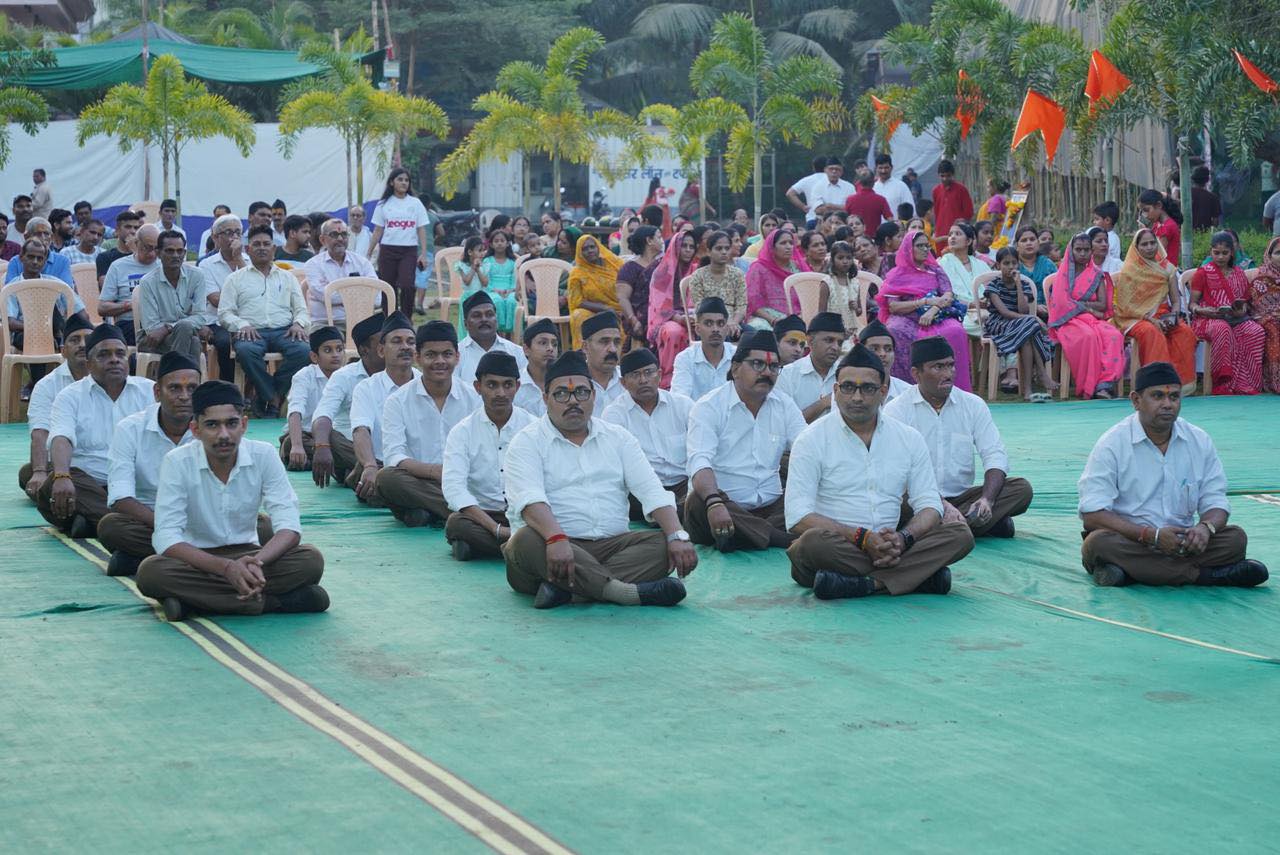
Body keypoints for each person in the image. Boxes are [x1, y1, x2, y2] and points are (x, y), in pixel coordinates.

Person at [501, 350, 695, 608]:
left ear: (593, 396)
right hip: (551, 544)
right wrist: (556, 539)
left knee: (662, 544)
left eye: (581, 392)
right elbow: (530, 500)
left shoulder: (618, 438)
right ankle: (624, 592)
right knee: (524, 540)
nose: (573, 401)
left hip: (612, 545)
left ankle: (567, 590)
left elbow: (652, 490)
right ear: (545, 398)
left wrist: (676, 536)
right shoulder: (526, 442)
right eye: (561, 394)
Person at [786, 344, 972, 599]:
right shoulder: (811, 439)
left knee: (959, 534)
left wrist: (904, 538)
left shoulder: (908, 438)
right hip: (840, 546)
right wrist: (863, 539)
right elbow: (798, 516)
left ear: (883, 392)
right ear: (835, 391)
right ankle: (915, 577)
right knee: (811, 544)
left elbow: (929, 505)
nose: (857, 397)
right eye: (848, 387)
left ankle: (867, 585)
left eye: (868, 388)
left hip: (894, 545)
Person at [136, 381, 328, 621]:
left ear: (244, 425)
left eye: (231, 423)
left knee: (310, 560)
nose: (224, 435)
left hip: (251, 556)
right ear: (195, 430)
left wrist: (256, 562)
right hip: (198, 561)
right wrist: (226, 569)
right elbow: (166, 537)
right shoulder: (177, 462)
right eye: (212, 425)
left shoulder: (263, 455)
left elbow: (289, 526)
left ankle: (195, 604)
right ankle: (271, 603)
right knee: (151, 572)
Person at [1077, 362, 1267, 588]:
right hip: (1132, 540)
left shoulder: (1198, 440)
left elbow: (1215, 500)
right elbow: (1093, 514)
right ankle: (1207, 577)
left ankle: (1131, 573)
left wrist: (1205, 528)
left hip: (1182, 544)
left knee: (1235, 539)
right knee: (1098, 544)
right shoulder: (1112, 444)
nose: (1167, 404)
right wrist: (1151, 536)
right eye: (1157, 396)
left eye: (1174, 397)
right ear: (1136, 400)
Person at [884, 337, 1033, 537]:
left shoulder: (973, 404)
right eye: (938, 367)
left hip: (963, 498)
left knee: (1021, 489)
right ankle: (975, 526)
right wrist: (941, 506)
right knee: (894, 501)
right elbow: (895, 471)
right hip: (917, 499)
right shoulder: (897, 410)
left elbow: (994, 454)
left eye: (951, 366)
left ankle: (946, 528)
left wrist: (987, 500)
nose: (948, 374)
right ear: (916, 374)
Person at [685, 329, 806, 552]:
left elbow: (807, 450)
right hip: (725, 507)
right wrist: (714, 502)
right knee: (697, 502)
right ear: (735, 368)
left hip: (772, 508)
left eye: (773, 367)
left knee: (810, 501)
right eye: (758, 364)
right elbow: (699, 461)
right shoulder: (708, 406)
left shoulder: (785, 405)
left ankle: (746, 536)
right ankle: (778, 538)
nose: (767, 373)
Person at [39, 324, 154, 538]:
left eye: (120, 354)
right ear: (89, 363)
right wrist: (62, 475)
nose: (114, 359)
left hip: (135, 487)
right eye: (104, 354)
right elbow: (60, 437)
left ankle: (96, 522)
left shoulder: (149, 391)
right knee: (52, 486)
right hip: (88, 486)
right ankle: (130, 524)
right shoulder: (70, 396)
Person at [96, 353, 201, 576]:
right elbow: (121, 498)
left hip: (203, 521)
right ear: (156, 393)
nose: (184, 396)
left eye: (192, 389)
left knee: (262, 528)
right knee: (112, 527)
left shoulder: (211, 427)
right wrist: (168, 526)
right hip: (151, 520)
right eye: (174, 389)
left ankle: (142, 559)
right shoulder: (130, 429)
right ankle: (202, 557)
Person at [374, 320, 480, 526]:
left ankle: (432, 512)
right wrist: (434, 471)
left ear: (457, 357)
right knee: (387, 479)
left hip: (463, 481)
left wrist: (454, 475)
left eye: (447, 354)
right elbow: (394, 456)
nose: (440, 361)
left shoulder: (473, 398)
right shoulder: (398, 400)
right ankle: (468, 516)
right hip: (418, 481)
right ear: (418, 358)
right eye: (431, 355)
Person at [440, 351, 536, 561]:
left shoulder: (534, 427)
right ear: (478, 387)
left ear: (517, 387)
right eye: (492, 385)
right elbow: (453, 488)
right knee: (457, 522)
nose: (500, 393)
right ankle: (520, 549)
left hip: (528, 515)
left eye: (507, 385)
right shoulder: (462, 432)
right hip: (484, 516)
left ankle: (486, 548)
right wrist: (496, 529)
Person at [218, 224, 311, 416]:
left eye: (266, 244)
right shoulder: (235, 279)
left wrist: (298, 323)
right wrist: (242, 324)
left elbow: (301, 310)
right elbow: (224, 313)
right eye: (256, 244)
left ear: (273, 249)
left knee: (304, 351)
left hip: (284, 330)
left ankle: (267, 395)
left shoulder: (288, 278)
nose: (262, 248)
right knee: (245, 351)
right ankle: (274, 397)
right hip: (251, 331)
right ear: (247, 249)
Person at [875, 229, 972, 390]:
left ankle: (954, 389)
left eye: (927, 246)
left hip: (937, 315)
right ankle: (904, 389)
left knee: (956, 331)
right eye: (920, 246)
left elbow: (948, 295)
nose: (925, 249)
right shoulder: (896, 274)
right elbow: (894, 307)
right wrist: (923, 302)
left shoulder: (935, 270)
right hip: (906, 317)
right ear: (908, 248)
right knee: (894, 330)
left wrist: (932, 309)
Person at [603, 348, 693, 515]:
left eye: (648, 373)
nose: (643, 380)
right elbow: (617, 468)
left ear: (659, 374)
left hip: (684, 486)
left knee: (709, 498)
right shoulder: (615, 414)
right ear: (623, 383)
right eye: (635, 375)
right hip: (642, 491)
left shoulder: (683, 406)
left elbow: (698, 452)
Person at [1111, 228, 1197, 389]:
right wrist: (1151, 319)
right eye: (1144, 244)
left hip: (1163, 315)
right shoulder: (1129, 271)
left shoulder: (1167, 268)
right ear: (1137, 248)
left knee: (1185, 332)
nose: (1150, 247)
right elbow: (1125, 306)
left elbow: (1175, 300)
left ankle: (1179, 384)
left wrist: (1173, 316)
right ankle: (1156, 384)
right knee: (1152, 333)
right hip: (1135, 318)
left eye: (1153, 243)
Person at [348, 313, 420, 503]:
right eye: (397, 341)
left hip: (421, 469)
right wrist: (370, 465)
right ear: (381, 350)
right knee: (384, 479)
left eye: (411, 342)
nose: (405, 347)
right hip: (381, 466)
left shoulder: (426, 383)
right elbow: (360, 430)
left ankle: (412, 505)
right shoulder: (366, 387)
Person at [19, 315, 92, 501]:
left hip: (103, 460)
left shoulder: (110, 380)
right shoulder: (47, 385)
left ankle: (80, 512)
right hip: (64, 464)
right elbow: (40, 431)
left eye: (89, 340)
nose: (83, 345)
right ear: (63, 351)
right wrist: (39, 471)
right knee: (29, 474)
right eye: (75, 340)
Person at [310, 313, 385, 489]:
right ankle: (374, 473)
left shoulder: (410, 375)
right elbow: (323, 415)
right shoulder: (344, 376)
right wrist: (321, 446)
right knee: (328, 435)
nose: (389, 347)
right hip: (351, 449)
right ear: (364, 349)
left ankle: (359, 476)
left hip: (392, 449)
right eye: (382, 342)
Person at [1048, 233, 1124, 399]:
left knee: (1114, 335)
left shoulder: (1097, 274)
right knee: (1088, 337)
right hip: (1068, 322)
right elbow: (1061, 305)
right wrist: (1089, 308)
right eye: (1078, 250)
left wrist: (1080, 306)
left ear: (1092, 251)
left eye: (1086, 250)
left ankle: (1103, 386)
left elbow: (1102, 305)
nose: (1082, 254)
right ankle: (1088, 385)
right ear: (1071, 250)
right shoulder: (1063, 274)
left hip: (1092, 320)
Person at [1190, 230, 1265, 395]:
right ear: (1211, 251)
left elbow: (1245, 302)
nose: (1220, 257)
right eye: (1216, 253)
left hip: (1235, 319)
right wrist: (1201, 309)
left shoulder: (1239, 273)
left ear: (1232, 253)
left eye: (1225, 253)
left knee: (1255, 331)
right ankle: (1222, 383)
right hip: (1208, 319)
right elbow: (1192, 304)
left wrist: (1241, 310)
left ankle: (1246, 384)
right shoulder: (1203, 273)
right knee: (1222, 329)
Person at [983, 248, 1056, 400]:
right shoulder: (993, 286)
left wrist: (1018, 285)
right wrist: (1034, 319)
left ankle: (1028, 389)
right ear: (998, 266)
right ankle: (1041, 374)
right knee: (1031, 325)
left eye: (1014, 263)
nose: (1011, 267)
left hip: (1021, 325)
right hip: (999, 324)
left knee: (1027, 337)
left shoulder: (1024, 285)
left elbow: (1023, 309)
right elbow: (1004, 313)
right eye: (1006, 263)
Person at [136, 229, 215, 368]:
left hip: (182, 333)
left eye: (180, 251)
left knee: (187, 331)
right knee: (194, 342)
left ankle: (174, 377)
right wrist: (183, 326)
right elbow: (152, 328)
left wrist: (169, 327)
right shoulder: (147, 282)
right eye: (170, 251)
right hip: (152, 340)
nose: (176, 255)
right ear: (159, 253)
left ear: (185, 253)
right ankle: (189, 384)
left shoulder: (197, 276)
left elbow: (201, 317)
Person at [369, 167, 432, 316]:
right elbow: (378, 230)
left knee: (407, 285)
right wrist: (369, 252)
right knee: (388, 286)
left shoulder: (415, 203)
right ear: (392, 182)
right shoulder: (383, 204)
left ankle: (406, 318)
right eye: (400, 180)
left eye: (406, 180)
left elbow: (421, 229)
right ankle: (389, 318)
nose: (404, 183)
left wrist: (423, 254)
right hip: (388, 250)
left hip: (408, 250)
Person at [281, 326, 345, 471]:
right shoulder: (304, 376)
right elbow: (295, 411)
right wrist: (297, 446)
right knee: (290, 444)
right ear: (314, 357)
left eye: (339, 349)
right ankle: (338, 464)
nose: (335, 355)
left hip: (336, 438)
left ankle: (326, 463)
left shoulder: (349, 375)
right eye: (328, 350)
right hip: (305, 435)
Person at [301, 218, 377, 331]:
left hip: (360, 322)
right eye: (334, 234)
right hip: (325, 324)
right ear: (322, 239)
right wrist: (358, 294)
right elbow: (324, 296)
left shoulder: (362, 262)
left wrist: (338, 295)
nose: (340, 239)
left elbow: (376, 296)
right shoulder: (313, 264)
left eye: (344, 234)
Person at [647, 229, 699, 383]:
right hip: (669, 319)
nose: (688, 250)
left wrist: (694, 316)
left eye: (692, 246)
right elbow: (659, 306)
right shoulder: (662, 273)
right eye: (684, 246)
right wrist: (679, 318)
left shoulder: (697, 271)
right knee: (674, 332)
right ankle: (668, 379)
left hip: (694, 316)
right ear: (676, 247)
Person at [775, 311, 845, 422]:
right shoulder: (786, 375)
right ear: (811, 341)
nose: (835, 347)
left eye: (840, 342)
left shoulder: (846, 375)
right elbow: (783, 425)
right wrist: (823, 404)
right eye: (829, 340)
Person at [98, 223, 161, 344]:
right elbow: (102, 308)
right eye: (147, 248)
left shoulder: (163, 266)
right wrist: (130, 305)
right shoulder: (118, 266)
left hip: (159, 321)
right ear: (137, 244)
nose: (152, 254)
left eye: (156, 249)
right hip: (129, 322)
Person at [683, 230, 747, 341]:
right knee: (722, 336)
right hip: (709, 324)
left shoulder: (737, 274)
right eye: (719, 248)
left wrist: (734, 322)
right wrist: (724, 323)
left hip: (734, 323)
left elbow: (742, 305)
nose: (724, 252)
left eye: (727, 248)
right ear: (708, 251)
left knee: (756, 336)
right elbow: (700, 307)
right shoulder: (698, 276)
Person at [670, 297, 737, 402]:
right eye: (709, 323)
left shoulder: (738, 356)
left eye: (720, 324)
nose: (715, 329)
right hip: (695, 417)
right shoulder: (685, 359)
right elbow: (679, 400)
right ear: (697, 329)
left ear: (727, 329)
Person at [454, 290, 528, 383]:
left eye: (489, 314)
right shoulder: (456, 355)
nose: (484, 319)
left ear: (496, 319)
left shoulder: (517, 353)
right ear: (465, 324)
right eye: (477, 316)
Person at [566, 234, 623, 349]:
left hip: (619, 308)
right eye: (584, 249)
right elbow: (577, 301)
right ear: (579, 252)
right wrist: (604, 308)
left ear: (599, 247)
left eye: (592, 247)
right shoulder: (577, 273)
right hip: (592, 310)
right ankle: (583, 355)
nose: (589, 251)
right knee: (578, 315)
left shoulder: (614, 264)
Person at [937, 222, 991, 339]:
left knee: (995, 322)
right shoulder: (942, 263)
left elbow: (992, 288)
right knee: (988, 325)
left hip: (985, 309)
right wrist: (971, 304)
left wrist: (987, 300)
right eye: (950, 234)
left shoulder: (981, 264)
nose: (952, 237)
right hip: (959, 311)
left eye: (958, 234)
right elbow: (944, 294)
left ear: (969, 241)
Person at [745, 229, 807, 329]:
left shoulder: (797, 268)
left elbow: (807, 296)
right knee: (760, 327)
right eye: (783, 243)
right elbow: (752, 301)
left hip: (797, 315)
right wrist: (773, 320)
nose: (788, 247)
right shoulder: (758, 268)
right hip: (767, 317)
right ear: (772, 248)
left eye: (791, 243)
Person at [615, 225, 662, 343]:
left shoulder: (663, 265)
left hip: (662, 314)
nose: (662, 241)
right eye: (659, 237)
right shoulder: (630, 268)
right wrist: (633, 320)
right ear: (649, 241)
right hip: (639, 317)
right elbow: (622, 298)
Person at [1248, 236, 1280, 393]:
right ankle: (1275, 381)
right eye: (1278, 253)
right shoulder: (1262, 277)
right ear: (1269, 255)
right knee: (1274, 329)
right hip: (1266, 318)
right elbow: (1258, 305)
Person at [514, 318, 559, 416]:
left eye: (554, 344)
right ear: (526, 349)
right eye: (543, 343)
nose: (550, 348)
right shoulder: (514, 385)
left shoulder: (563, 382)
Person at [580, 310, 625, 407]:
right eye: (604, 342)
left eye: (617, 342)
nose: (613, 349)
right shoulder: (575, 382)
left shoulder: (629, 380)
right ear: (585, 347)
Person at [481, 228, 519, 334]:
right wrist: (495, 290)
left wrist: (511, 290)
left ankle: (511, 331)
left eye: (502, 241)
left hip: (510, 290)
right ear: (491, 244)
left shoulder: (512, 261)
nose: (499, 243)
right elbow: (485, 279)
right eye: (496, 241)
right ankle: (499, 328)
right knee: (497, 301)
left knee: (512, 301)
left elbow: (515, 279)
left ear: (507, 243)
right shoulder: (487, 261)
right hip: (491, 290)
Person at [930, 160, 973, 248]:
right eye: (942, 176)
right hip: (941, 233)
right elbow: (936, 212)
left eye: (948, 176)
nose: (945, 179)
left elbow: (968, 213)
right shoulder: (935, 191)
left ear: (953, 175)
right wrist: (936, 231)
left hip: (957, 233)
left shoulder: (962, 189)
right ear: (938, 175)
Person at [1138, 189, 1183, 264]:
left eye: (1146, 210)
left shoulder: (1167, 227)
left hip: (1164, 271)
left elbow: (1156, 254)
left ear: (1159, 205)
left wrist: (1144, 233)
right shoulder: (1158, 224)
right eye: (1142, 212)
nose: (1145, 215)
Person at [786, 156, 831, 228]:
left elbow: (790, 194)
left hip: (812, 218)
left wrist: (803, 206)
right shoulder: (834, 180)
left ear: (813, 167)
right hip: (832, 220)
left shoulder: (807, 180)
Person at [872, 154, 915, 219]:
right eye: (880, 168)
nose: (883, 171)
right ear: (876, 169)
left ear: (891, 167)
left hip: (896, 228)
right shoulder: (873, 188)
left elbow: (911, 210)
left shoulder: (901, 186)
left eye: (886, 168)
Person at [1189, 166, 1222, 231]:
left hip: (1185, 234)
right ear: (1207, 180)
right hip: (1204, 234)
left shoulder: (1185, 195)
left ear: (1193, 179)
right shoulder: (1213, 197)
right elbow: (1215, 221)